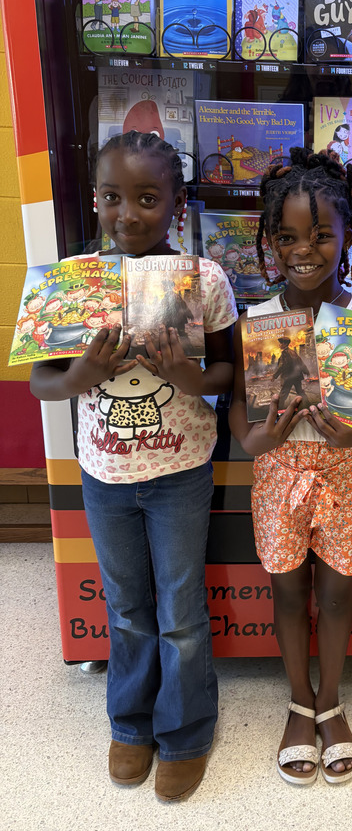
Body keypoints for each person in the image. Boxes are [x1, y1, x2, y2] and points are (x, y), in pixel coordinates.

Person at [29, 131, 237, 803]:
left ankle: (185, 731)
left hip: (181, 471)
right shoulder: (73, 281)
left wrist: (190, 374)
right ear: (95, 199)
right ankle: (130, 722)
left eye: (148, 198)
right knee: (126, 608)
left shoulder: (203, 280)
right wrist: (80, 373)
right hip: (105, 476)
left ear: (176, 205)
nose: (128, 214)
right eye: (114, 197)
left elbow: (233, 370)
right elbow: (41, 384)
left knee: (179, 609)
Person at [229, 145, 352, 787]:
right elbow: (240, 423)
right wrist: (258, 439)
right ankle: (298, 701)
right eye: (288, 236)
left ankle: (332, 700)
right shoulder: (258, 322)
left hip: (345, 482)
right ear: (269, 240)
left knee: (337, 594)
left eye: (322, 235)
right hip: (278, 481)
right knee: (287, 591)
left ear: (346, 237)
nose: (305, 250)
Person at [274, 334, 310, 409]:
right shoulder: (293, 352)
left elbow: (281, 366)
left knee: (283, 396)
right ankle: (309, 405)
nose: (279, 345)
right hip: (297, 376)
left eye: (281, 343)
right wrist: (306, 371)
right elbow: (300, 362)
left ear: (285, 344)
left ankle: (278, 410)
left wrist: (275, 376)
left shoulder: (285, 353)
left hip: (289, 378)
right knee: (300, 392)